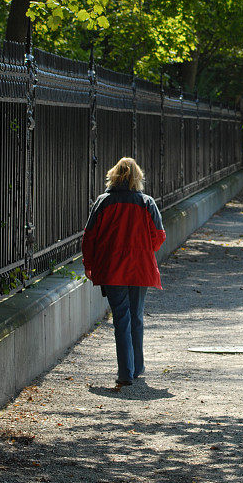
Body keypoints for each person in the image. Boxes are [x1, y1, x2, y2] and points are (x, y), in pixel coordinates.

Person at [82, 157, 166, 386]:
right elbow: (158, 238)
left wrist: (89, 265)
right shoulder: (147, 203)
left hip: (112, 269)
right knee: (136, 316)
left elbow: (89, 238)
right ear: (137, 177)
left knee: (121, 318)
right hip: (140, 268)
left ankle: (125, 372)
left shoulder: (103, 202)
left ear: (114, 175)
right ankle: (137, 366)